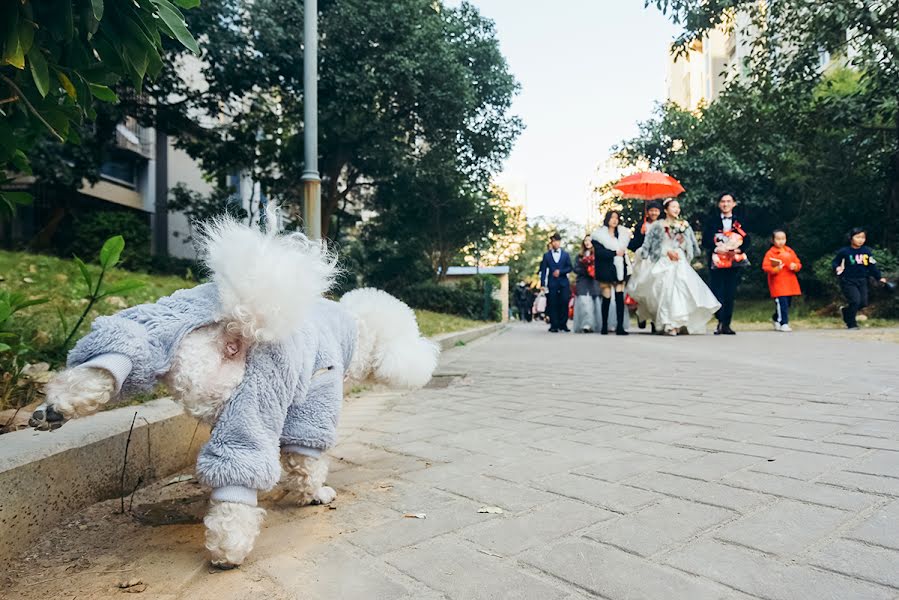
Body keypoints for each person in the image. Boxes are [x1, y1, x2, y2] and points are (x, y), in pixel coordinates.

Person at [629, 199, 720, 336]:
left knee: (683, 290)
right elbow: (650, 246)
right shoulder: (657, 226)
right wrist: (665, 252)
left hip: (679, 260)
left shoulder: (683, 225)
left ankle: (680, 322)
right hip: (663, 260)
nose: (676, 209)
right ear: (665, 209)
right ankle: (669, 323)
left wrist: (682, 244)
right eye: (673, 207)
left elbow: (692, 245)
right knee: (665, 290)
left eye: (678, 207)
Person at [702, 193, 750, 335]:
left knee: (730, 292)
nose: (726, 204)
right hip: (716, 261)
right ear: (718, 204)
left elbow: (747, 239)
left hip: (734, 261)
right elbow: (705, 240)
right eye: (723, 201)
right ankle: (719, 320)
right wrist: (716, 247)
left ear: (734, 204)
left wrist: (738, 249)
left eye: (729, 201)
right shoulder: (712, 221)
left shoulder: (739, 221)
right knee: (717, 292)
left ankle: (726, 324)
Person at [832, 227, 887, 330]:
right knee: (855, 301)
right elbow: (835, 262)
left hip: (862, 280)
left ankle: (846, 311)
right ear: (851, 238)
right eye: (858, 237)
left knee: (863, 303)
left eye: (863, 237)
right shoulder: (844, 251)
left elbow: (872, 266)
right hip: (848, 280)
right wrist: (837, 267)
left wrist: (879, 277)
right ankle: (852, 324)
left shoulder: (866, 251)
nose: (860, 240)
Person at [593, 211, 632, 335]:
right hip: (606, 268)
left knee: (620, 297)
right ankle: (604, 325)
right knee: (606, 297)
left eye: (616, 218)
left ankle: (620, 326)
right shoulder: (598, 235)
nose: (614, 220)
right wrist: (614, 253)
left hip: (620, 268)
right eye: (612, 217)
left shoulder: (623, 235)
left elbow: (630, 245)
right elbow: (599, 253)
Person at [629, 200, 663, 331]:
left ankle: (655, 320)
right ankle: (641, 314)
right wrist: (641, 235)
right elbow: (632, 245)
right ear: (647, 212)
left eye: (656, 210)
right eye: (651, 210)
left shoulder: (662, 225)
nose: (654, 213)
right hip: (643, 261)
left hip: (658, 260)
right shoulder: (641, 225)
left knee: (655, 290)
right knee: (643, 288)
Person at [762, 230, 802, 332]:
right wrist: (775, 269)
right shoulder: (770, 253)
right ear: (773, 240)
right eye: (778, 239)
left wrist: (795, 266)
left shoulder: (789, 251)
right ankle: (784, 322)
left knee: (787, 303)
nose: (781, 241)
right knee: (782, 302)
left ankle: (776, 318)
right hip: (778, 282)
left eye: (783, 239)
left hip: (790, 281)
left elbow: (798, 263)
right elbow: (765, 267)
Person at [539, 233, 572, 332]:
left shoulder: (565, 255)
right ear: (551, 243)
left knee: (564, 302)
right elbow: (543, 270)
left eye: (557, 241)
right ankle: (554, 325)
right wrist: (542, 284)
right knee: (553, 303)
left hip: (563, 283)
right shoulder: (547, 255)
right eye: (553, 241)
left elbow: (570, 267)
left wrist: (561, 272)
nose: (555, 243)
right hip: (552, 283)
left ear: (560, 242)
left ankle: (563, 324)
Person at [573, 235, 601, 332]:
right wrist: (586, 270)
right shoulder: (579, 256)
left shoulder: (598, 254)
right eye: (585, 240)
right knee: (584, 303)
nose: (587, 242)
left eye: (589, 240)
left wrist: (593, 271)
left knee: (596, 303)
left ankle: (596, 325)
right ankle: (586, 325)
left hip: (594, 282)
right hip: (583, 281)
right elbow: (575, 268)